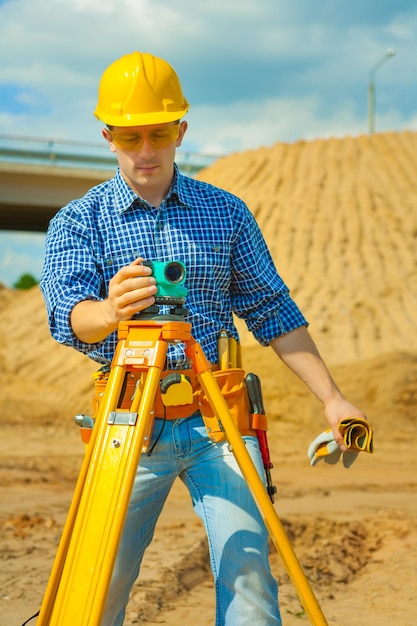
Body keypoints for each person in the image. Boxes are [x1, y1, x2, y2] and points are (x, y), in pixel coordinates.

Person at [40, 51, 367, 626]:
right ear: (108, 135)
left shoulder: (227, 213)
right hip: (127, 423)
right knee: (96, 586)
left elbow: (273, 311)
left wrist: (332, 398)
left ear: (181, 130)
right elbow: (68, 316)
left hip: (218, 419)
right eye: (131, 135)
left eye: (160, 133)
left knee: (249, 575)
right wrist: (111, 310)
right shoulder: (79, 220)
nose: (146, 150)